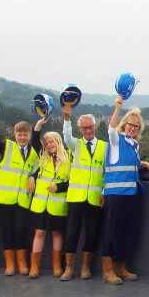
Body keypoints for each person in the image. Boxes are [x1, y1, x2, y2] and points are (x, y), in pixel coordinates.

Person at [102, 96, 149, 285]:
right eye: (130, 124)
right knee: (111, 232)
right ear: (124, 125)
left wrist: (141, 163)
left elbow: (129, 163)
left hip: (130, 194)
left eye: (137, 126)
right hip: (115, 195)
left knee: (126, 232)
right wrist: (117, 107)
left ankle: (120, 268)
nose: (133, 128)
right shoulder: (116, 140)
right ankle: (107, 270)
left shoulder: (134, 146)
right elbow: (110, 129)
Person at [0, 118, 38, 276]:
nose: (22, 138)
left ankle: (22, 263)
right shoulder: (8, 146)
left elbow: (38, 169)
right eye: (19, 134)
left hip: (22, 199)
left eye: (25, 135)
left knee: (21, 230)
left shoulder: (34, 152)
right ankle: (10, 264)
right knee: (7, 231)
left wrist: (32, 177)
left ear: (29, 135)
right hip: (4, 199)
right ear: (15, 135)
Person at [60, 107, 106, 281]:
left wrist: (104, 191)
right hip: (76, 197)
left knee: (92, 233)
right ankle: (69, 268)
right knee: (72, 232)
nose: (88, 130)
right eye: (84, 128)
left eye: (90, 127)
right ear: (80, 130)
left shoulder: (104, 147)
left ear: (95, 126)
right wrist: (66, 118)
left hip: (94, 199)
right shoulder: (75, 145)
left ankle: (86, 267)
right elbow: (66, 136)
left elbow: (106, 172)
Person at [28, 118, 71, 279]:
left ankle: (57, 265)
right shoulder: (42, 158)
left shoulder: (68, 161)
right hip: (41, 204)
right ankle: (34, 267)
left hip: (57, 205)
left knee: (56, 233)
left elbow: (71, 182)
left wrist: (58, 187)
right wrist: (38, 124)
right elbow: (34, 141)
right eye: (46, 143)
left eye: (51, 142)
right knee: (39, 232)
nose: (49, 145)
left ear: (58, 142)